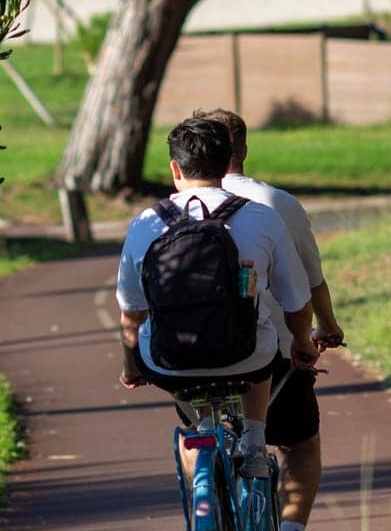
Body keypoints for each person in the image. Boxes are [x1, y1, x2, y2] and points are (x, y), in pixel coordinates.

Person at [117, 118, 320, 490]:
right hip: (246, 357)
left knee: (189, 425)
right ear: (229, 162)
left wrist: (133, 368)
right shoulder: (262, 218)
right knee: (264, 344)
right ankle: (255, 443)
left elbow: (132, 313)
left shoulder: (144, 224)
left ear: (175, 169)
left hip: (169, 362)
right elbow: (295, 301)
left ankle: (203, 498)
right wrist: (303, 343)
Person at [193, 106, 343, 531]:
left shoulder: (171, 210)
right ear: (243, 148)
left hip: (191, 360)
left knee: (201, 431)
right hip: (272, 356)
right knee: (299, 443)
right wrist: (325, 329)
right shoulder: (273, 204)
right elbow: (309, 279)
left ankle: (204, 508)